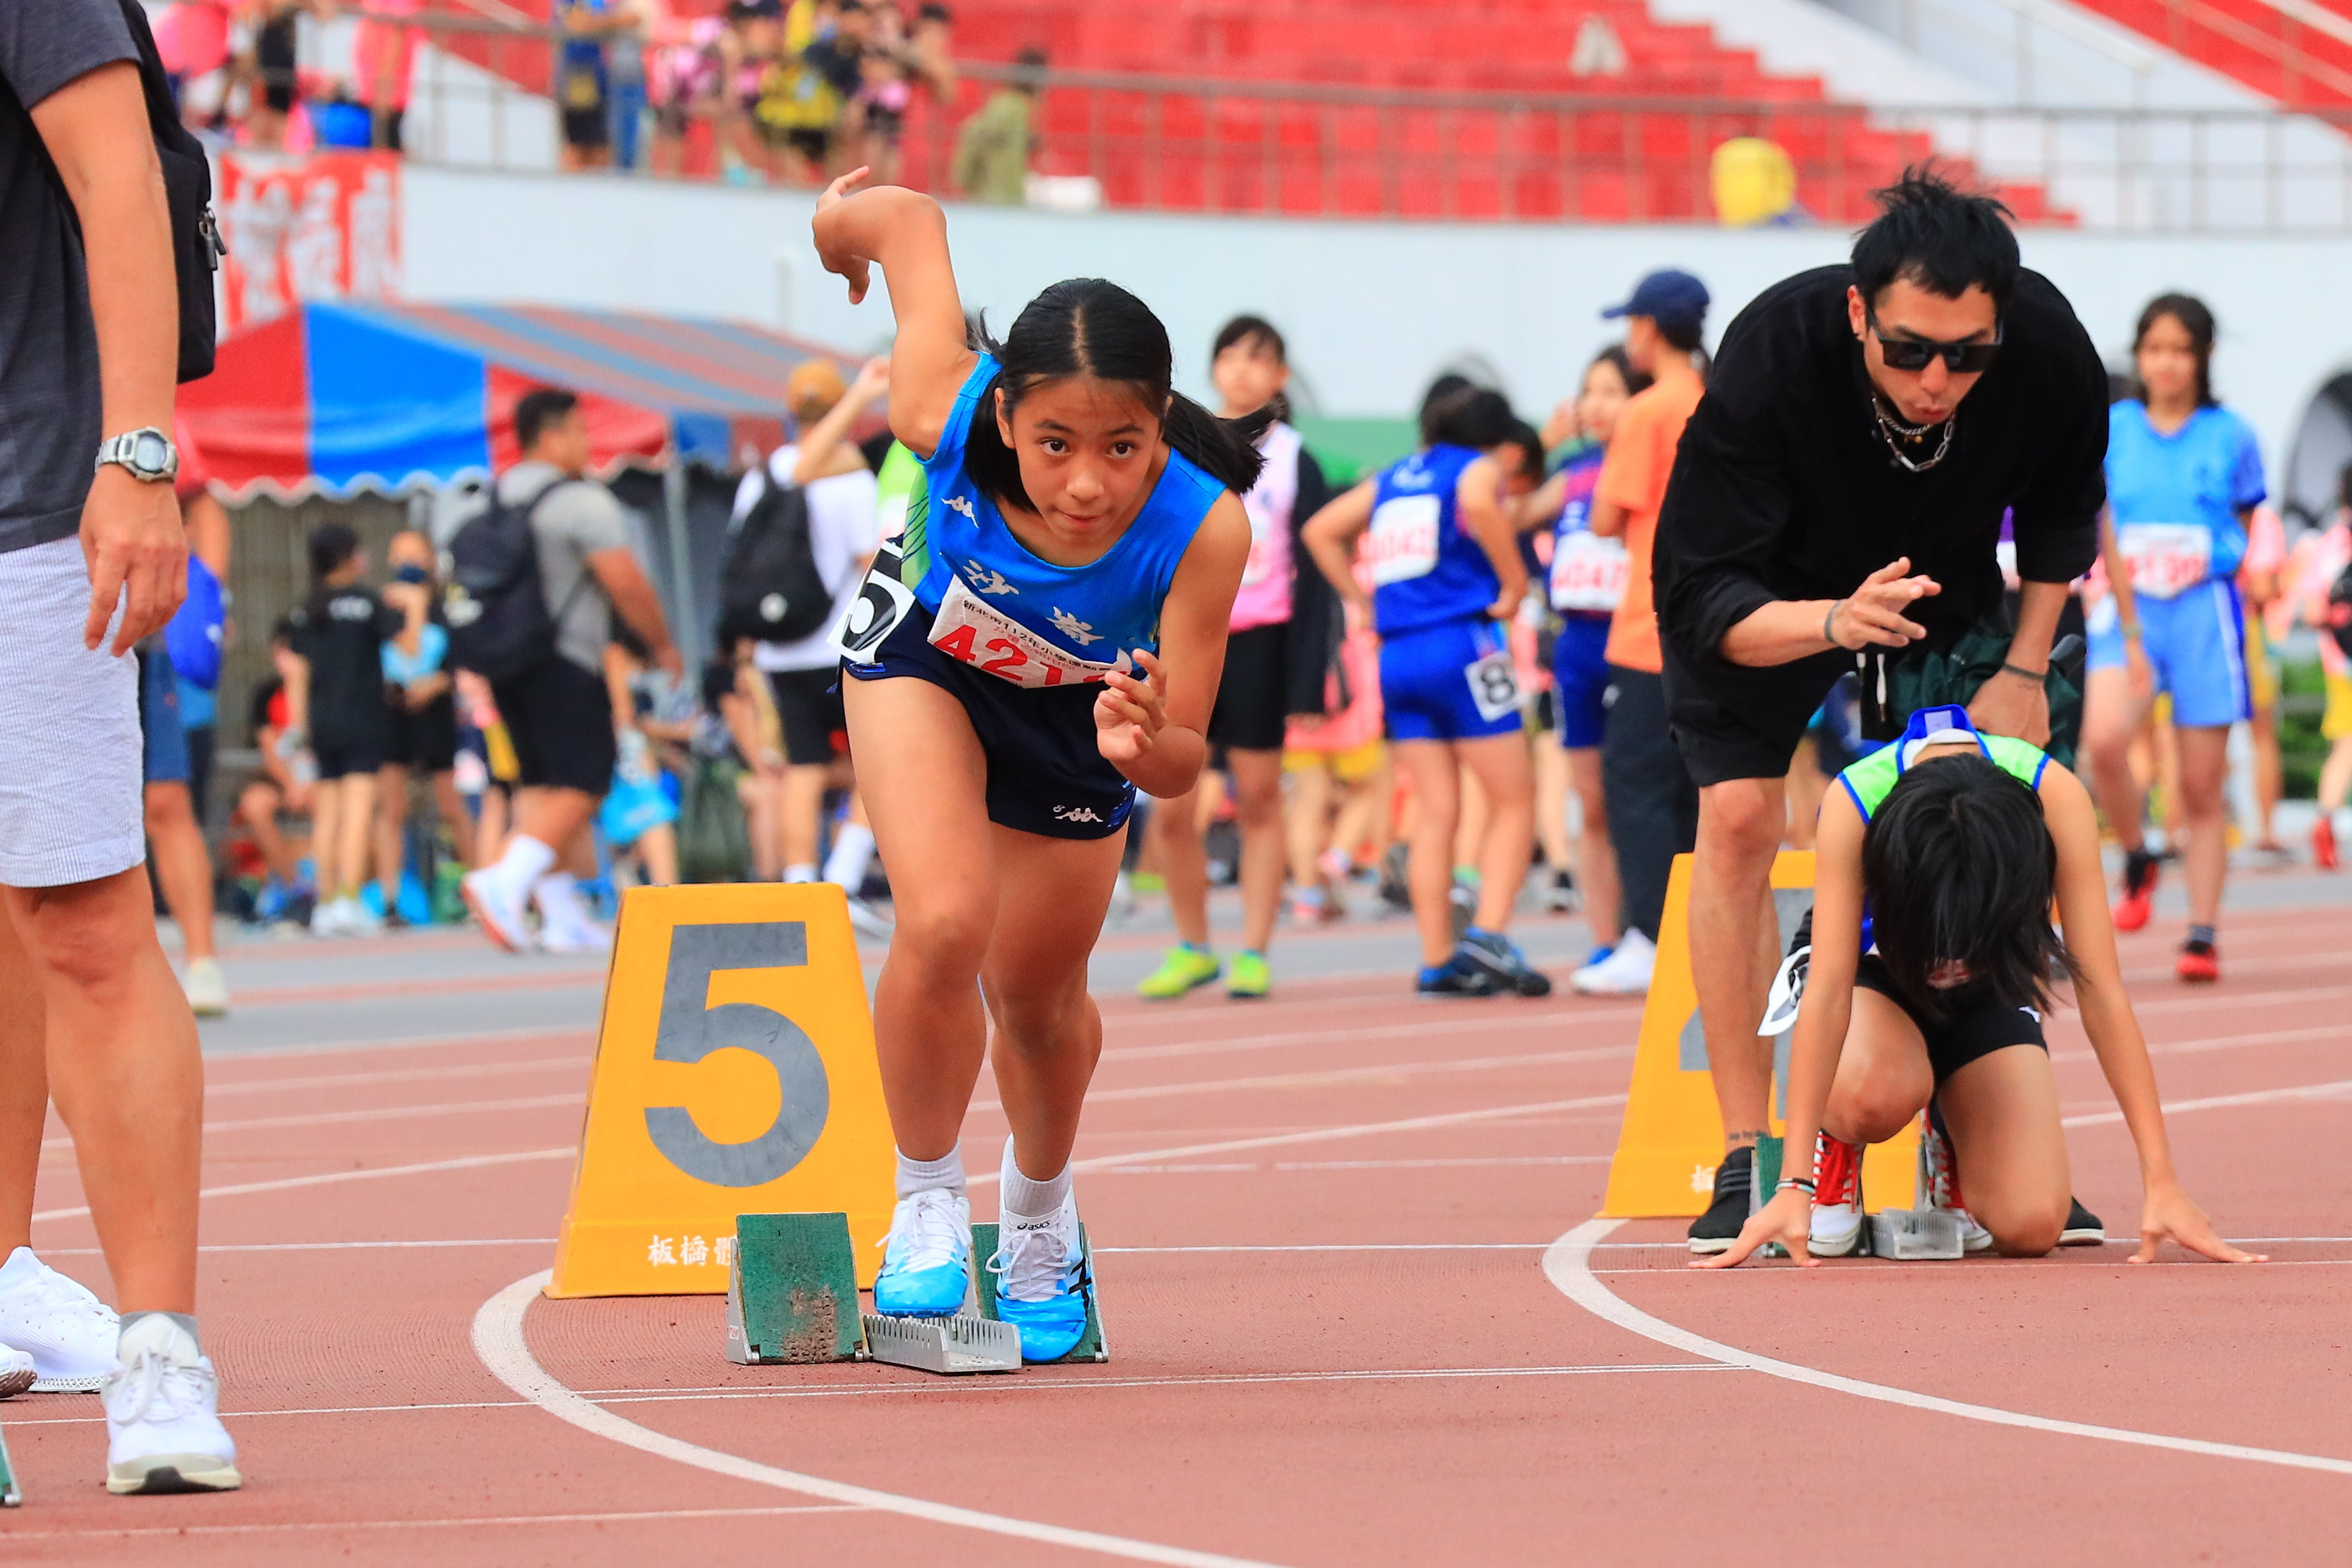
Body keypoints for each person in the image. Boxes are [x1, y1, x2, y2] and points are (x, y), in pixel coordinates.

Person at [810, 171, 1258, 1359]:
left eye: (1124, 447)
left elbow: (1182, 760)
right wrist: (832, 240)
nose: (1087, 484)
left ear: (1163, 425)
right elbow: (904, 222)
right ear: (1004, 417)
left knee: (1040, 1002)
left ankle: (1040, 1220)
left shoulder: (1205, 528)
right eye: (1056, 442)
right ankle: (922, 1203)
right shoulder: (939, 406)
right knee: (946, 922)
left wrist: (1142, 736)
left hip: (1076, 717)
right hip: (927, 662)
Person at [1648, 168, 2107, 1255]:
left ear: (2000, 324)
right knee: (1740, 821)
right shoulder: (1769, 358)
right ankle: (1745, 1151)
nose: (1936, 380)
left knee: (1984, 811)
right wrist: (1829, 621)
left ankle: (1962, 1097)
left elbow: (2058, 517)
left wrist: (2026, 671)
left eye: (1966, 355)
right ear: (1858, 313)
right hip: (1764, 583)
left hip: (1942, 573)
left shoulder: (2045, 350)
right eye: (1908, 351)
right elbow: (1701, 598)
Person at [0, 0, 241, 1492]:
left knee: (83, 921)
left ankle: (159, 1347)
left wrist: (137, 454)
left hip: (27, 508)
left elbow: (121, 184)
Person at [1699, 707, 2259, 1271]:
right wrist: (1793, 1183)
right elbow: (1826, 993)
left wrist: (2161, 1181)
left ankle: (1952, 1137)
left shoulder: (2056, 796)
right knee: (1876, 1091)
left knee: (2033, 1224)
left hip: (1989, 980)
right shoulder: (1855, 799)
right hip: (1874, 970)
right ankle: (1836, 1149)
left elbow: (2102, 991)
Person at [1303, 388, 1552, 998]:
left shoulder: (1394, 477)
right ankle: (1489, 934)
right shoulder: (1475, 466)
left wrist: (1363, 602)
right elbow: (1477, 499)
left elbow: (1319, 530)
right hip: (1464, 644)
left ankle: (1438, 955)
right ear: (1493, 437)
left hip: (1398, 655)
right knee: (1516, 798)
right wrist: (1515, 581)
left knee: (1437, 809)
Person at [1139, 316, 1334, 1000]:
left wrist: (1310, 676)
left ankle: (1254, 949)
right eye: (1231, 355)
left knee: (1257, 798)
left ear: (1281, 377)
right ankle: (1192, 944)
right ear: (1214, 367)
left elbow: (1312, 577)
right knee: (1169, 804)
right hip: (1180, 638)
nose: (1244, 369)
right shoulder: (1176, 446)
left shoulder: (1295, 456)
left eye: (1261, 358)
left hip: (1259, 642)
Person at [459, 387, 683, 952]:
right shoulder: (579, 501)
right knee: (586, 781)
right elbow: (626, 582)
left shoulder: (494, 497)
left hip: (507, 661)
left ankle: (560, 915)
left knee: (541, 783)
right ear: (552, 435)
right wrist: (662, 645)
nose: (588, 444)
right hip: (568, 660)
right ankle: (502, 881)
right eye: (581, 432)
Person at [2081, 295, 2265, 984]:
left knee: (2199, 784)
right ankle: (2137, 852)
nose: (2165, 362)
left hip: (2203, 612)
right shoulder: (2114, 428)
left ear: (2204, 358)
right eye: (2153, 348)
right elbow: (2101, 520)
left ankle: (2203, 930)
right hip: (2129, 610)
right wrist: (2127, 620)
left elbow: (2246, 521)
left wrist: (2211, 557)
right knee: (2103, 738)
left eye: (2180, 349)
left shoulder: (2232, 435)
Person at [1569, 275, 1710, 1000]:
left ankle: (1650, 933)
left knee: (1636, 784)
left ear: (1650, 329)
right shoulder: (1721, 398)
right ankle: (1691, 933)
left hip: (1649, 623)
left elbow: (1603, 518)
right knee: (1694, 788)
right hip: (1716, 622)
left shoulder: (1649, 408)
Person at [737, 354, 891, 931]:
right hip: (845, 642)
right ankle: (845, 878)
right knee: (880, 763)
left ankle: (800, 882)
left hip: (782, 647)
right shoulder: (849, 476)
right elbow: (864, 556)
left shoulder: (764, 477)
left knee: (803, 765)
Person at [1518, 344, 1649, 976]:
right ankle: (1606, 938)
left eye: (1612, 391)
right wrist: (1539, 448)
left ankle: (1647, 927)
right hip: (1575, 649)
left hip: (1634, 646)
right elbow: (1506, 513)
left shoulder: (1653, 463)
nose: (1596, 405)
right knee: (1591, 802)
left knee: (1639, 796)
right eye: (1589, 391)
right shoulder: (1571, 473)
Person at [284, 524, 397, 937]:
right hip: (363, 719)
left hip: (321, 722)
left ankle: (326, 901)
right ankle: (350, 897)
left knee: (327, 813)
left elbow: (297, 674)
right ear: (350, 556)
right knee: (358, 810)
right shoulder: (369, 604)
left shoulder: (308, 608)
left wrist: (298, 733)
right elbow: (404, 644)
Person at [374, 529, 474, 922]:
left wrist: (438, 682)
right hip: (393, 718)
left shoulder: (449, 607)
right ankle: (390, 901)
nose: (407, 564)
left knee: (453, 806)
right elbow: (401, 652)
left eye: (414, 555)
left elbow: (462, 656)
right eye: (400, 556)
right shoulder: (385, 606)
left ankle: (478, 889)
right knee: (392, 808)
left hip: (437, 717)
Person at [237, 620, 317, 921]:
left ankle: (328, 888)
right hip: (283, 781)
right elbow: (270, 748)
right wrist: (290, 785)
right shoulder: (266, 694)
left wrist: (299, 690)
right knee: (255, 805)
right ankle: (294, 888)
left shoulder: (323, 692)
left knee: (339, 807)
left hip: (319, 781)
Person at [2298, 466, 2352, 870]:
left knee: (2346, 744)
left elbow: (2313, 611)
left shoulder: (2330, 546)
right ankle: (2325, 818)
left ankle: (2325, 818)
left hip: (2341, 661)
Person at [952, 45, 1043, 205]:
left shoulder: (1018, 107)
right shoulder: (1010, 106)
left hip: (1007, 193)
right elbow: (973, 134)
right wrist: (966, 180)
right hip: (996, 195)